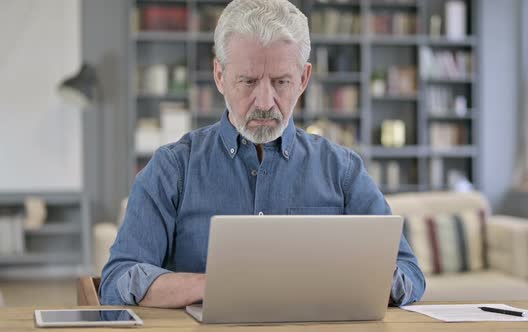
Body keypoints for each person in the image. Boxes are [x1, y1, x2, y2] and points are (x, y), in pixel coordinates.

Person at [100, 0, 425, 308]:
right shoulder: (173, 169)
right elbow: (118, 280)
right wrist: (225, 285)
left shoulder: (343, 171)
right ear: (219, 76)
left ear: (303, 79)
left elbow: (409, 275)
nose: (265, 102)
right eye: (249, 81)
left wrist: (337, 281)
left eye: (281, 81)